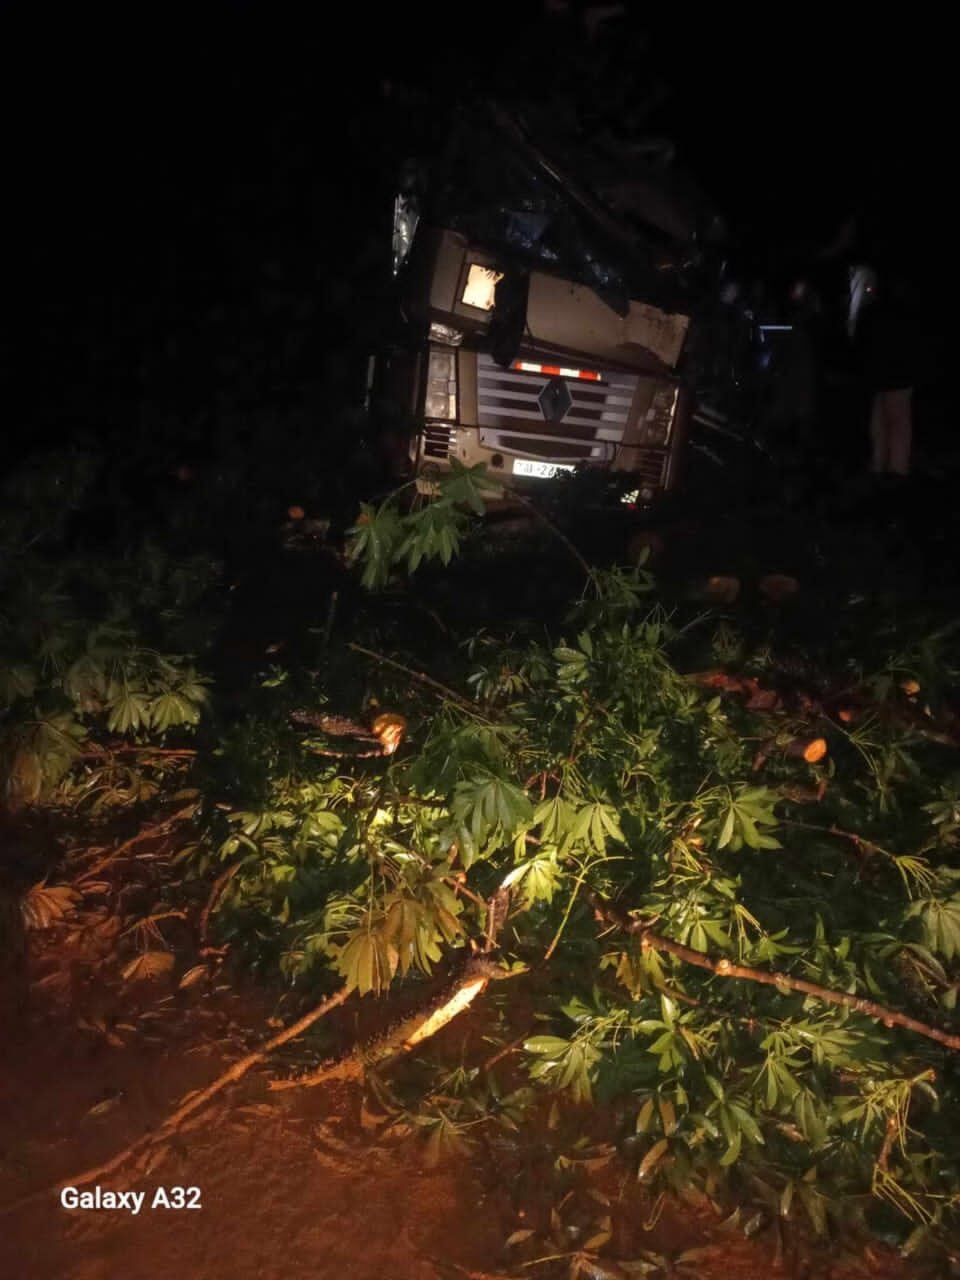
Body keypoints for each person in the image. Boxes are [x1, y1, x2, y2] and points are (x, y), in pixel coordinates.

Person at [848, 264, 915, 478]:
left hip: (878, 376)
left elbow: (859, 344)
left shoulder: (871, 313)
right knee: (898, 423)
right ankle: (896, 468)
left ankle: (880, 465)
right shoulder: (905, 314)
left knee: (879, 424)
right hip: (899, 377)